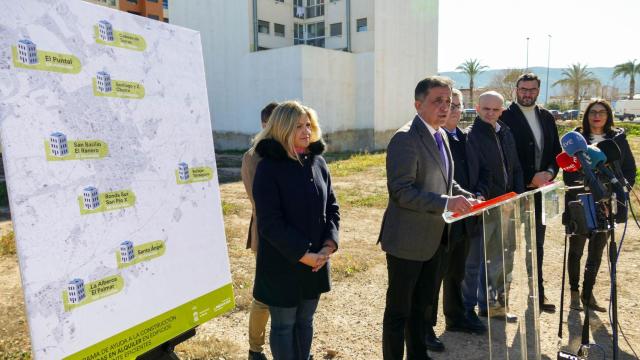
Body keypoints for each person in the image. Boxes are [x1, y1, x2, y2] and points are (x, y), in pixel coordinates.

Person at [378, 76, 477, 360]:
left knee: (421, 309)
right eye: (438, 101)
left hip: (435, 239)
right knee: (399, 311)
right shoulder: (405, 138)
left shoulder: (441, 134)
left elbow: (447, 182)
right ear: (418, 104)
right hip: (407, 240)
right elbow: (401, 192)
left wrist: (466, 196)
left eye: (448, 101)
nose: (445, 107)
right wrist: (448, 202)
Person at [251, 101, 340, 360]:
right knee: (284, 325)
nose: (306, 131)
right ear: (281, 129)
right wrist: (304, 254)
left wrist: (328, 246)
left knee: (306, 321)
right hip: (283, 264)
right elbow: (270, 223)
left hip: (316, 261)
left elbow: (332, 207)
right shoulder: (268, 168)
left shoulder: (318, 162)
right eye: (298, 126)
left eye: (308, 125)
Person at [425, 88, 485, 354]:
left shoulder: (465, 138)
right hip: (439, 218)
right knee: (434, 276)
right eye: (450, 104)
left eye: (458, 106)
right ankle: (426, 328)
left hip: (466, 214)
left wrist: (477, 194)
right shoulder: (433, 138)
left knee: (457, 271)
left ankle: (456, 316)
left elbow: (480, 170)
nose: (454, 110)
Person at [563, 99, 636, 312]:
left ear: (608, 115)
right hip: (581, 200)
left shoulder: (618, 140)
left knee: (597, 250)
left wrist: (620, 190)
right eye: (592, 112)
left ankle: (588, 294)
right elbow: (568, 173)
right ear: (586, 116)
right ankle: (574, 293)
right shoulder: (576, 139)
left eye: (601, 112)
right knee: (577, 248)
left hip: (608, 202)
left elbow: (629, 170)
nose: (597, 115)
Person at [500, 73, 561, 313]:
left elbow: (556, 152)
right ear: (516, 90)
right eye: (523, 89)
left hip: (541, 194)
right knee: (507, 247)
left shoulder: (546, 117)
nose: (527, 93)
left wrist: (549, 172)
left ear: (538, 90)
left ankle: (538, 295)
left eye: (532, 89)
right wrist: (528, 178)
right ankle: (499, 300)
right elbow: (504, 156)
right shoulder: (504, 117)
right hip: (513, 193)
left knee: (536, 245)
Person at [466, 91, 525, 319]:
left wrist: (516, 197)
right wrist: (488, 200)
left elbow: (516, 168)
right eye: (486, 109)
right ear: (478, 109)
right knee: (477, 261)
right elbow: (480, 175)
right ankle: (469, 309)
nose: (491, 113)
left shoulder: (506, 133)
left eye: (496, 109)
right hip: (485, 209)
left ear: (502, 111)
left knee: (502, 259)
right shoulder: (471, 135)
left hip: (508, 206)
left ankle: (496, 307)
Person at [241, 101, 278, 360]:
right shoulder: (253, 156)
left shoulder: (290, 150)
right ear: (266, 124)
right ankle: (255, 349)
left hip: (289, 238)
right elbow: (259, 201)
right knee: (266, 295)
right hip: (267, 236)